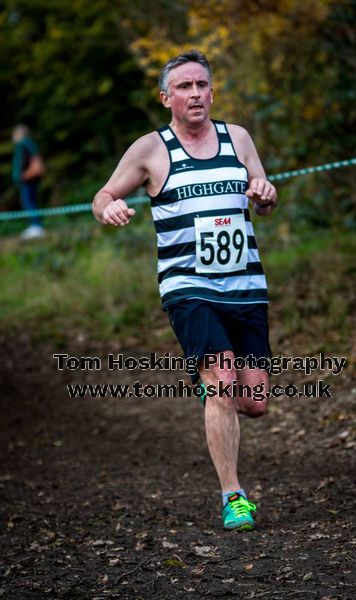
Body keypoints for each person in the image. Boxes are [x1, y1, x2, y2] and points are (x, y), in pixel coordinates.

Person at [92, 50, 277, 531]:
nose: (195, 94)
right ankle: (233, 497)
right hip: (188, 285)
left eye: (202, 85)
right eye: (184, 87)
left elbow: (262, 193)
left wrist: (266, 194)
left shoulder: (237, 138)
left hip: (246, 284)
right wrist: (108, 208)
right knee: (222, 381)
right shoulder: (150, 150)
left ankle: (215, 392)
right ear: (166, 97)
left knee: (253, 402)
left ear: (212, 91)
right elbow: (104, 195)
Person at [12, 124, 45, 239]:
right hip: (31, 179)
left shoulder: (23, 145)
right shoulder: (30, 144)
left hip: (28, 179)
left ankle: (35, 226)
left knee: (28, 201)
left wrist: (23, 175)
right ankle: (35, 225)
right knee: (31, 201)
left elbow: (30, 163)